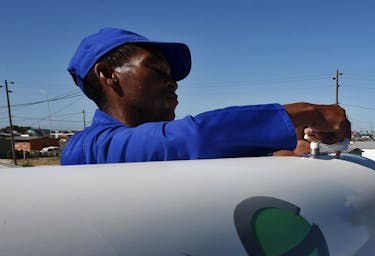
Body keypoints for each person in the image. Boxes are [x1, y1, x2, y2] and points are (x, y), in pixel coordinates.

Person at [61, 27, 350, 165]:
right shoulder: (85, 150)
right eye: (157, 71)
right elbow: (190, 139)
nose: (172, 83)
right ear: (107, 74)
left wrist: (275, 155)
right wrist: (313, 113)